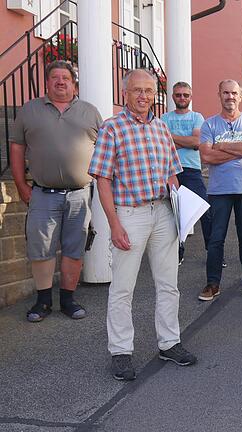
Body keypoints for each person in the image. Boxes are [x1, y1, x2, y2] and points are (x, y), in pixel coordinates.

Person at [89, 69, 196, 381]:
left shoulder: (161, 128)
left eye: (149, 90)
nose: (143, 96)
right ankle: (121, 352)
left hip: (163, 212)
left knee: (169, 284)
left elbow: (172, 174)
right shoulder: (112, 129)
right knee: (123, 288)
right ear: (125, 93)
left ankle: (169, 342)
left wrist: (180, 213)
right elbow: (102, 180)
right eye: (137, 90)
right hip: (129, 215)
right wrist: (114, 224)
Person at [9, 60, 102, 322]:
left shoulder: (90, 112)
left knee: (74, 248)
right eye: (55, 78)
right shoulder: (29, 110)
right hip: (42, 194)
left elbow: (105, 149)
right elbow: (17, 148)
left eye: (66, 78)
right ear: (47, 82)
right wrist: (20, 186)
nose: (61, 82)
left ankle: (68, 300)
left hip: (80, 194)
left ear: (74, 84)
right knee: (41, 249)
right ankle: (43, 301)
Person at [198, 80, 242, 302]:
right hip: (219, 191)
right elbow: (206, 157)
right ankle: (212, 283)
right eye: (226, 92)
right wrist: (240, 150)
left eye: (234, 93)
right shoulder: (209, 125)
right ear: (219, 95)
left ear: (241, 96)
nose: (230, 97)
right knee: (216, 239)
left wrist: (221, 146)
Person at [160, 82, 208, 265]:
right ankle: (178, 252)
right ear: (172, 97)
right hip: (170, 170)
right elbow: (162, 145)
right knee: (174, 213)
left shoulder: (197, 117)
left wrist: (171, 138)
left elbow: (196, 142)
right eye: (178, 95)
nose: (182, 98)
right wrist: (185, 142)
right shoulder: (164, 118)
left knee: (204, 209)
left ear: (191, 97)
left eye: (185, 95)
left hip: (192, 170)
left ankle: (213, 252)